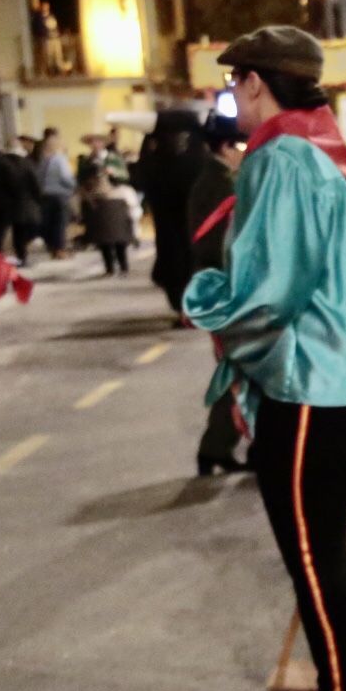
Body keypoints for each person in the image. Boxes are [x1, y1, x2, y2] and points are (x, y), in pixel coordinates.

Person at [183, 26, 346, 691]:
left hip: (321, 384)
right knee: (328, 553)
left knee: (312, 555)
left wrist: (210, 303)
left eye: (233, 86)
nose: (233, 100)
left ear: (253, 82)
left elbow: (268, 292)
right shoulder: (329, 153)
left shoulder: (277, 159)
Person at [188, 111, 248, 476]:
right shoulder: (218, 184)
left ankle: (217, 447)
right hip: (225, 289)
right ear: (226, 147)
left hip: (222, 287)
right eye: (241, 145)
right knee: (239, 366)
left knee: (239, 368)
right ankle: (215, 447)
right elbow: (219, 242)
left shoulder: (218, 178)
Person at [134, 109, 206, 315]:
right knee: (183, 257)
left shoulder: (156, 149)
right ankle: (188, 306)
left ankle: (184, 306)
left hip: (174, 218)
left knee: (177, 257)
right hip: (181, 218)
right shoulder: (197, 148)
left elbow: (144, 175)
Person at [0, 131, 44, 265]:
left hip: (8, 203)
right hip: (26, 202)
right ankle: (22, 255)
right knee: (22, 231)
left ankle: (18, 254)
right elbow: (34, 184)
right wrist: (39, 199)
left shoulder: (1, 162)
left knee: (13, 231)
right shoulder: (26, 163)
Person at [80, 151, 134, 277]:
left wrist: (112, 173)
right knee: (104, 240)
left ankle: (122, 266)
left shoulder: (114, 161)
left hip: (114, 202)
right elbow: (83, 181)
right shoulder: (87, 162)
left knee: (117, 239)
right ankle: (111, 267)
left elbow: (124, 177)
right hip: (100, 203)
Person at [35, 132, 76, 258]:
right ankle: (60, 249)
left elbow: (39, 178)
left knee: (50, 223)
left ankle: (52, 248)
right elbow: (65, 177)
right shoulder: (60, 159)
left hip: (45, 196)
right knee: (60, 223)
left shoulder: (43, 161)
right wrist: (74, 186)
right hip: (60, 196)